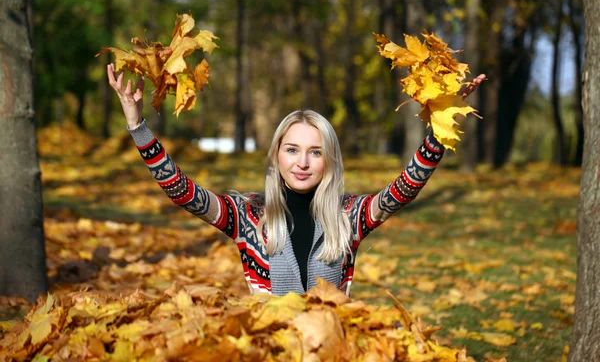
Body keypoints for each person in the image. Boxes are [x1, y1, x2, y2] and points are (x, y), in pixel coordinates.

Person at [107, 63, 485, 296]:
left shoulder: (348, 215)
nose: (302, 162)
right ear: (276, 155)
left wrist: (439, 130)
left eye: (315, 152)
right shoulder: (247, 214)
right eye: (292, 149)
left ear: (329, 161)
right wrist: (137, 126)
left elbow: (402, 190)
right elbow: (182, 191)